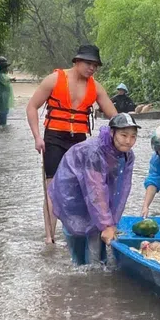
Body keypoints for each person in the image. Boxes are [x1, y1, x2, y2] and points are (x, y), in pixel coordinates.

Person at [26, 45, 118, 244]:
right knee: (51, 188)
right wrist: (37, 137)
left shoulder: (96, 87)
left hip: (78, 141)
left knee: (79, 188)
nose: (92, 68)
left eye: (95, 65)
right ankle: (49, 237)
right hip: (54, 138)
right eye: (88, 63)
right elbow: (32, 106)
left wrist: (124, 135)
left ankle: (76, 234)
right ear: (76, 61)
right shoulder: (54, 79)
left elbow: (114, 116)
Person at [48, 113, 140, 265]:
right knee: (79, 235)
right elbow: (95, 190)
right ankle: (82, 271)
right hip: (72, 189)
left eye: (133, 137)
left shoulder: (127, 155)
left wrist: (112, 223)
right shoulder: (95, 152)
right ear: (112, 133)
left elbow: (122, 189)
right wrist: (105, 224)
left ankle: (95, 270)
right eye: (124, 135)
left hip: (96, 189)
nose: (128, 141)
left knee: (98, 241)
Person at [0, 58, 14, 126]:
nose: (7, 69)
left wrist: (11, 79)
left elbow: (6, 80)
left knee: (4, 110)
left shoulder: (3, 75)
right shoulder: (1, 75)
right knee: (3, 110)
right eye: (6, 67)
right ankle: (2, 125)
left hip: (4, 95)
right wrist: (11, 79)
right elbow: (5, 82)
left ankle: (3, 124)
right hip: (2, 95)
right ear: (3, 68)